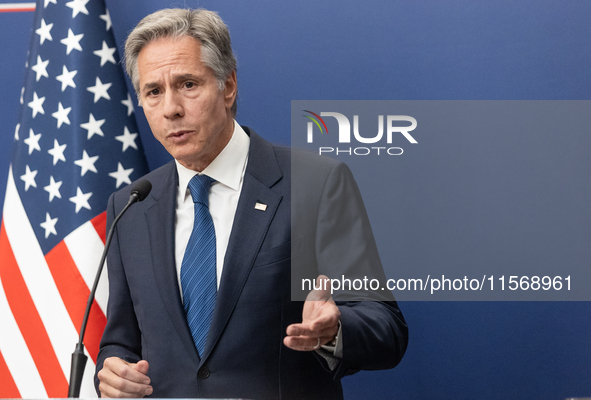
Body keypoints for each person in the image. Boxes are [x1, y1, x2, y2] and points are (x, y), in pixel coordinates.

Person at [95, 8, 408, 400]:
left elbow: (387, 326)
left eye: (187, 84)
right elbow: (121, 342)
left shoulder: (315, 183)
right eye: (153, 91)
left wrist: (335, 328)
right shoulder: (130, 206)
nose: (170, 108)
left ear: (228, 86)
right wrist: (112, 372)